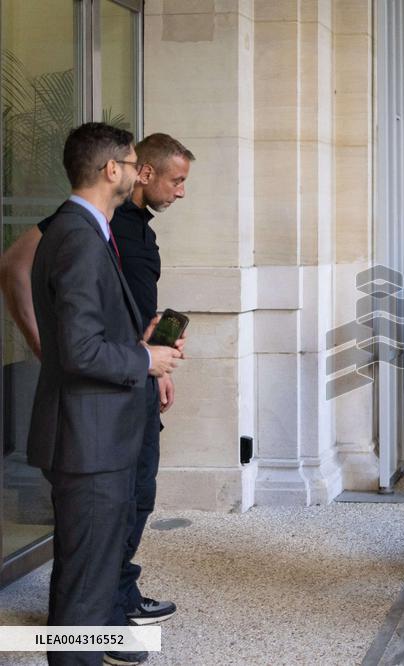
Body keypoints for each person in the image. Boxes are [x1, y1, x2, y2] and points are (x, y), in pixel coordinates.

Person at [26, 122, 182, 666]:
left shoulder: (84, 229)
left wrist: (139, 341)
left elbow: (88, 334)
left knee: (83, 576)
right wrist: (146, 358)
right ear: (111, 169)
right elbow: (77, 350)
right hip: (88, 442)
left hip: (93, 436)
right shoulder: (76, 236)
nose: (139, 169)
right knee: (85, 587)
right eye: (132, 160)